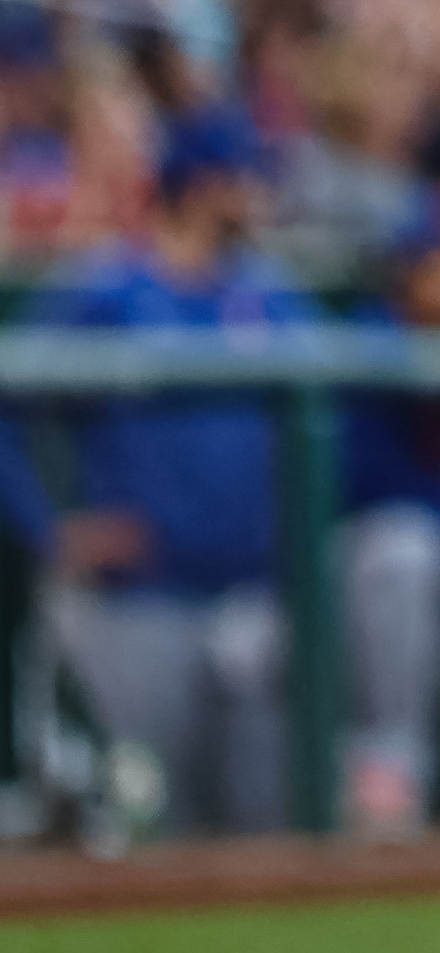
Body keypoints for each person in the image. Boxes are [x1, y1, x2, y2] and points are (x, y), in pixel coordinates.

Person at [23, 108, 316, 835]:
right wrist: (46, 527)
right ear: (202, 184)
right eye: (243, 179)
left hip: (252, 597)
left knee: (267, 820)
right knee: (151, 820)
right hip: (139, 601)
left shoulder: (267, 292)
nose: (255, 196)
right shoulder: (105, 289)